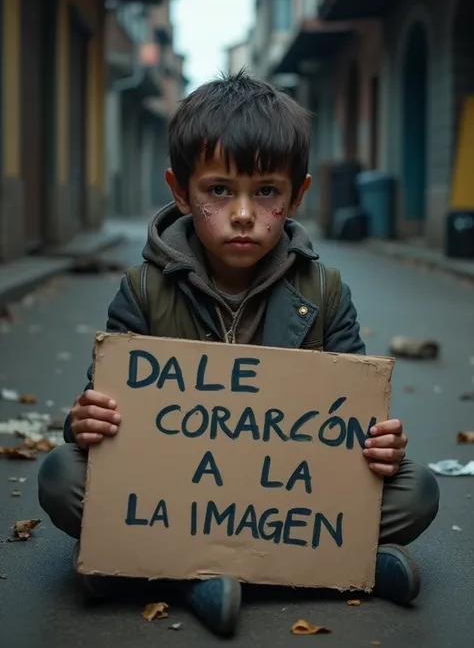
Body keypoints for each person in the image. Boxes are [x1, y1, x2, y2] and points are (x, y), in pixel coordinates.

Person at [38, 71, 439, 637]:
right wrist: (84, 421)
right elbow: (98, 424)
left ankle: (161, 572)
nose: (245, 213)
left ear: (296, 195)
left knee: (417, 489)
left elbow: (354, 426)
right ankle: (336, 569)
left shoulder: (326, 294)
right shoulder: (143, 291)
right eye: (219, 191)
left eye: (267, 192)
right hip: (173, 495)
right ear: (181, 192)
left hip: (283, 501)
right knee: (61, 477)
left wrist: (381, 445)